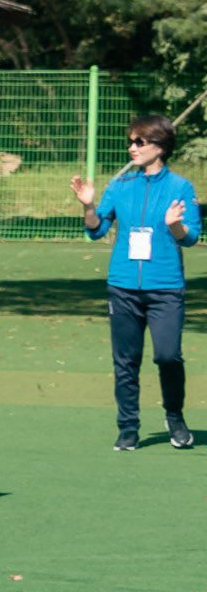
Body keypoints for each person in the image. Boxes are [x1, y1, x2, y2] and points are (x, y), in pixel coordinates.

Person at [72, 114, 197, 451]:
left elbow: (191, 238)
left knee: (168, 356)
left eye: (140, 142)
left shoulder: (181, 187)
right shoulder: (120, 186)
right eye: (131, 141)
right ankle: (128, 428)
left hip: (166, 289)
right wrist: (88, 206)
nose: (132, 147)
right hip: (123, 287)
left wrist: (174, 226)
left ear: (160, 147)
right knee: (125, 361)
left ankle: (175, 417)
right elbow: (96, 229)